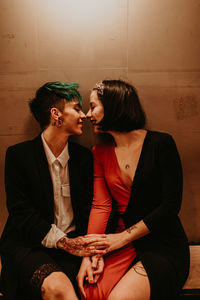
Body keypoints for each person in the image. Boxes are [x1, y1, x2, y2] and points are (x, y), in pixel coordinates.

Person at [77, 80, 190, 300]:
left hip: (162, 241)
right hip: (118, 239)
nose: (87, 114)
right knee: (91, 292)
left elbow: (170, 206)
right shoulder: (99, 152)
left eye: (93, 106)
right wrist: (89, 254)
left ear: (113, 105)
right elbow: (101, 206)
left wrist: (120, 239)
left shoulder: (161, 143)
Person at [0, 81, 108, 300]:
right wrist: (65, 243)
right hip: (29, 245)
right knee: (59, 289)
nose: (84, 115)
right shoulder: (18, 156)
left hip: (74, 246)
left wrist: (89, 250)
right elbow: (21, 213)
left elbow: (93, 207)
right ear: (55, 114)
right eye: (77, 108)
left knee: (91, 289)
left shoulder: (84, 158)